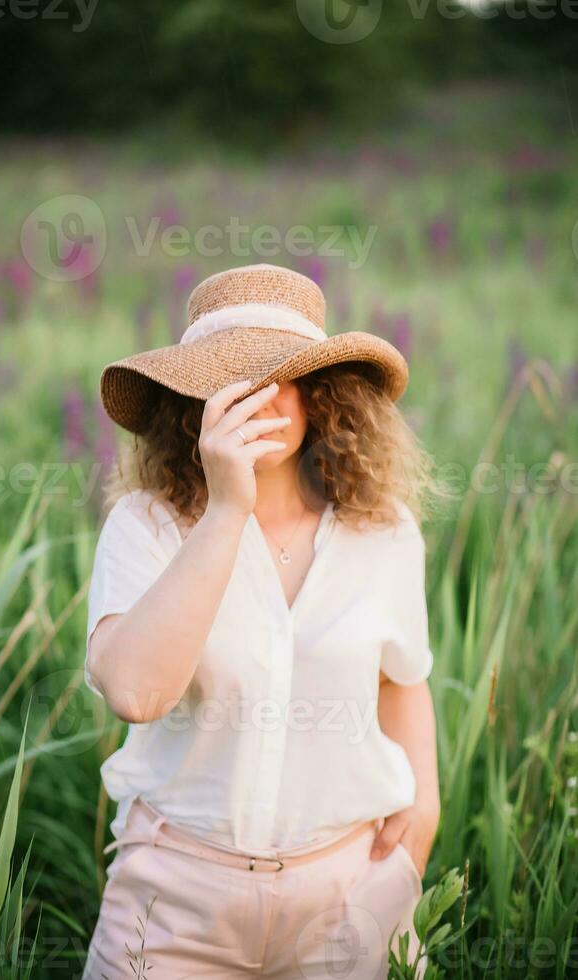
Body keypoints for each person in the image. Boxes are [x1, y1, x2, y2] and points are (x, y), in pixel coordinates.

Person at [81, 263, 441, 979]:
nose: (261, 399)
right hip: (173, 902)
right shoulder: (146, 526)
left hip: (347, 895)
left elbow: (403, 679)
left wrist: (420, 823)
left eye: (282, 375)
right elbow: (135, 694)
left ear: (320, 395)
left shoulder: (384, 532)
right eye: (232, 379)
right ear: (196, 402)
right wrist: (224, 510)